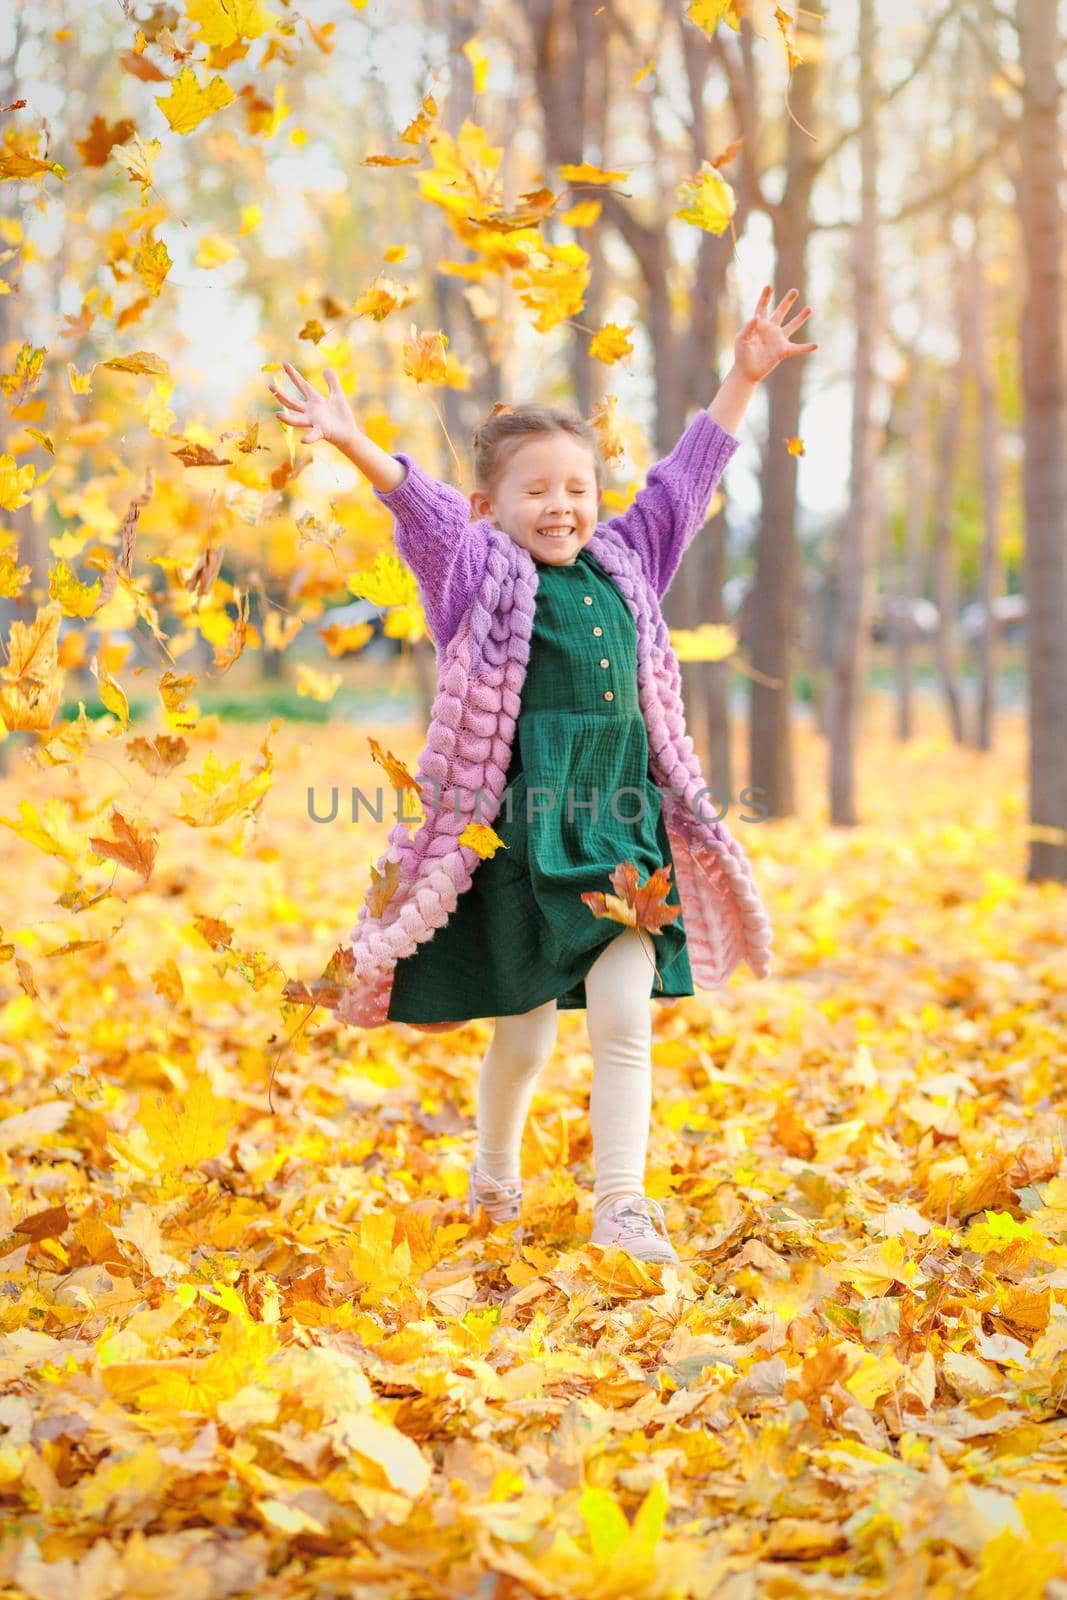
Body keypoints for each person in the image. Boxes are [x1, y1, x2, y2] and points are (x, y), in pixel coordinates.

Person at [269, 285, 817, 1264]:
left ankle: (622, 1205)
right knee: (522, 1038)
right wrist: (358, 448)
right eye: (535, 490)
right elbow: (420, 505)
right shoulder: (477, 574)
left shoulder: (627, 563)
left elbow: (681, 483)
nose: (559, 504)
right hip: (521, 845)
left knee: (619, 1016)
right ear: (491, 507)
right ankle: (492, 1173)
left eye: (575, 486)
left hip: (620, 838)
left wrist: (740, 377)